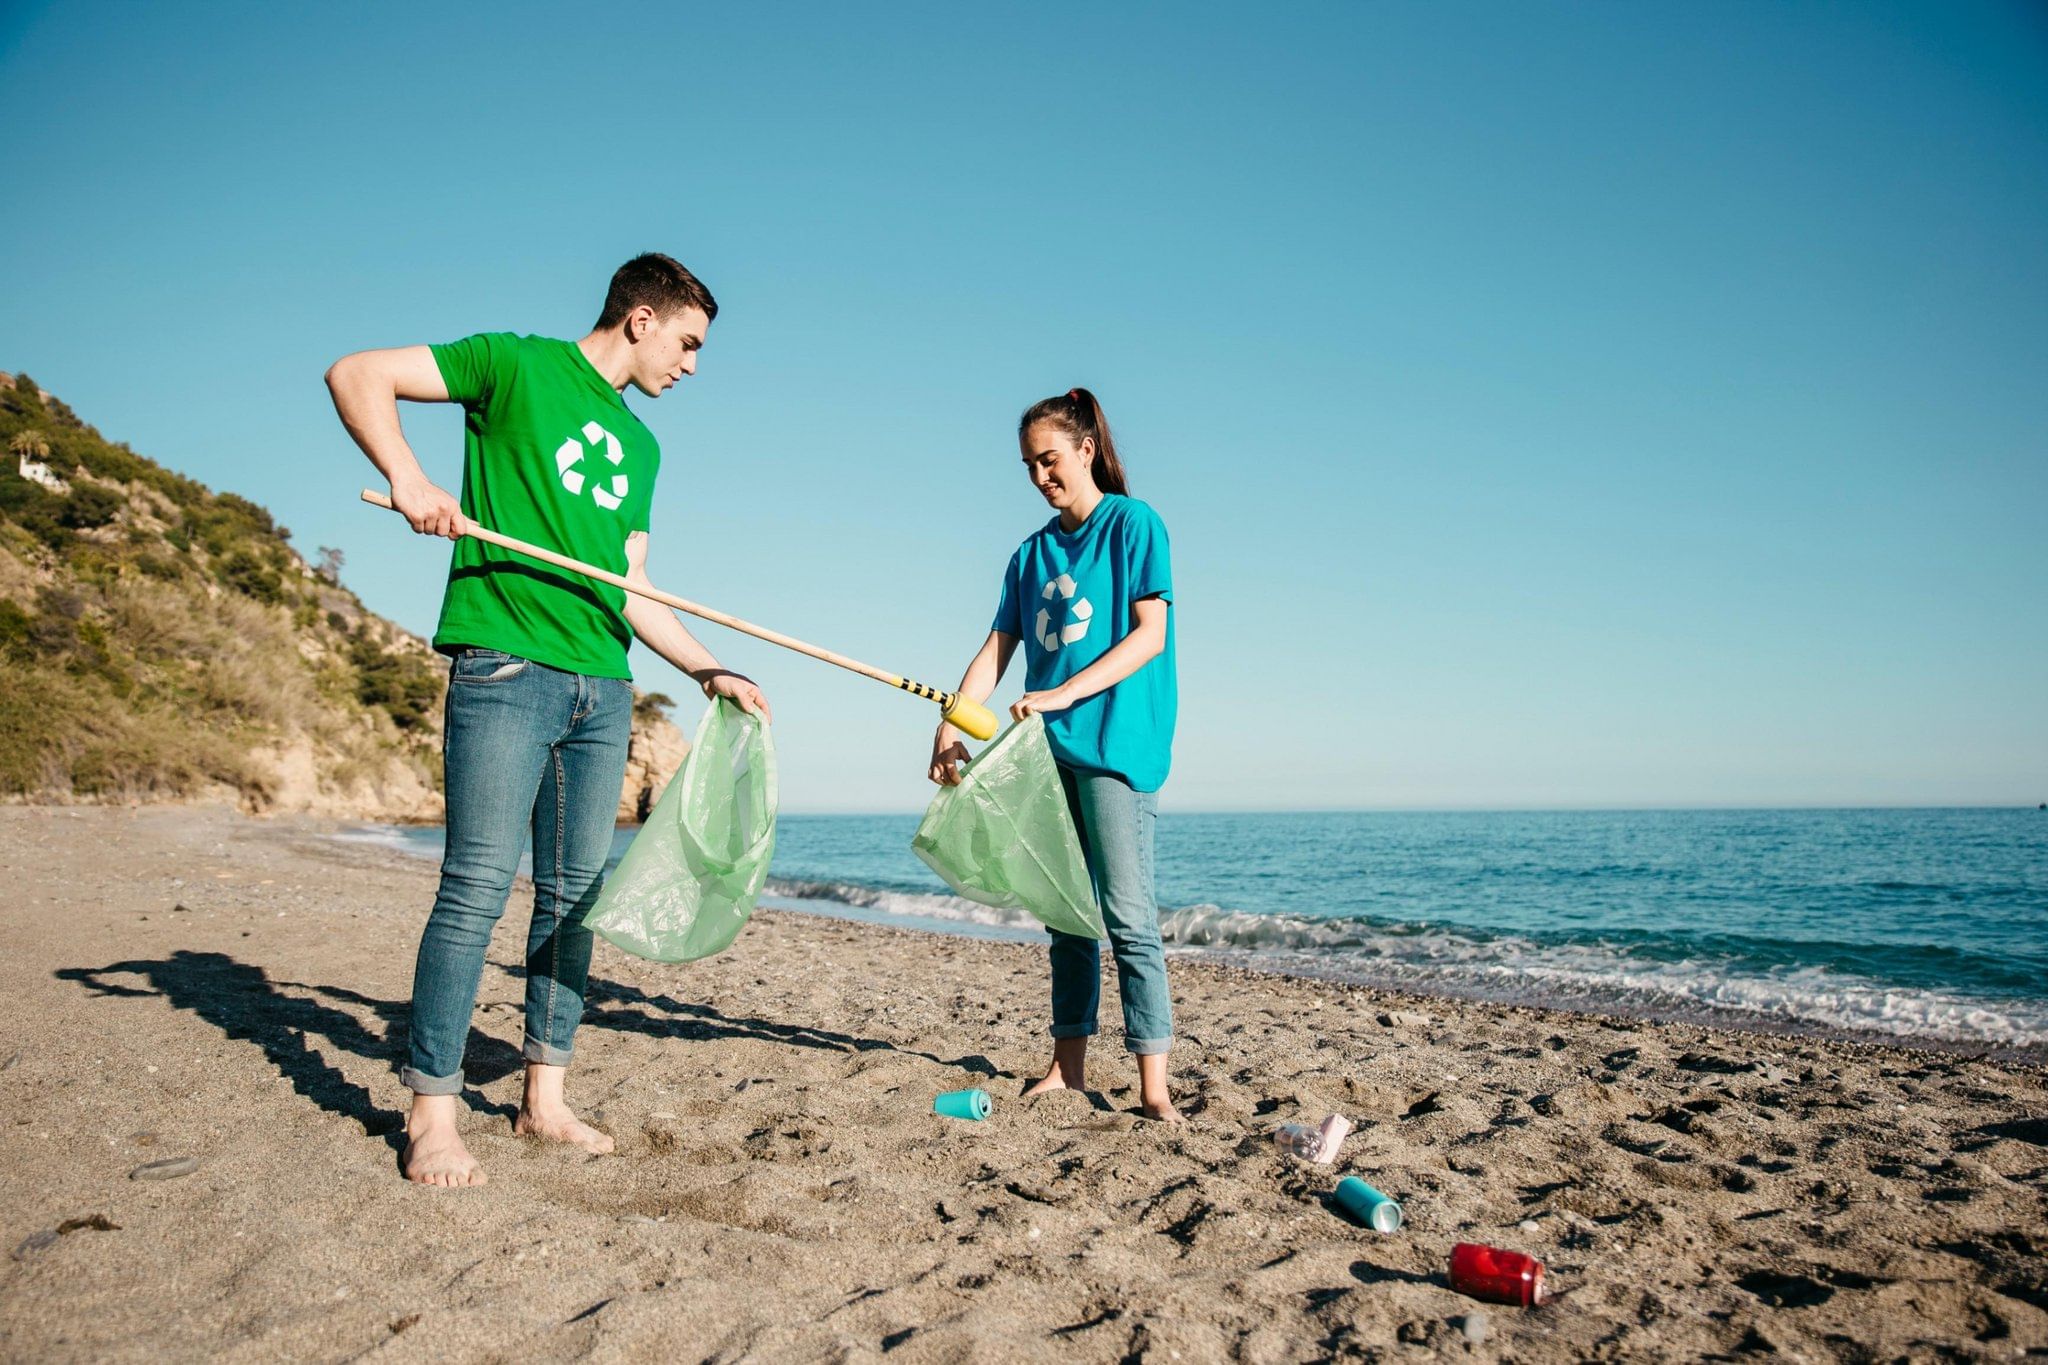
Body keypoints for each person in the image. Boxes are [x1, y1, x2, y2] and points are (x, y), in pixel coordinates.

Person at [325, 253, 771, 1186]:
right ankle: (433, 1114)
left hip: (600, 688)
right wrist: (409, 476)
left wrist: (708, 668)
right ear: (641, 319)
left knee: (573, 898)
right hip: (505, 662)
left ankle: (544, 1097)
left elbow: (631, 586)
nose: (692, 365)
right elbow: (357, 373)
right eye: (688, 343)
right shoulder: (513, 364)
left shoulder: (643, 446)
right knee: (477, 886)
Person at [928, 388, 1181, 1122]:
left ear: (1085, 450)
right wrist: (950, 726)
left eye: (1050, 459)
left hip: (1114, 747)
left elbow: (1149, 635)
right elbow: (997, 651)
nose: (1041, 475)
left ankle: (1153, 1087)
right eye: (1029, 465)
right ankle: (1067, 1069)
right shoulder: (1029, 554)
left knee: (1128, 917)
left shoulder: (1135, 525)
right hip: (1048, 753)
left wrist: (1064, 692)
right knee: (1066, 916)